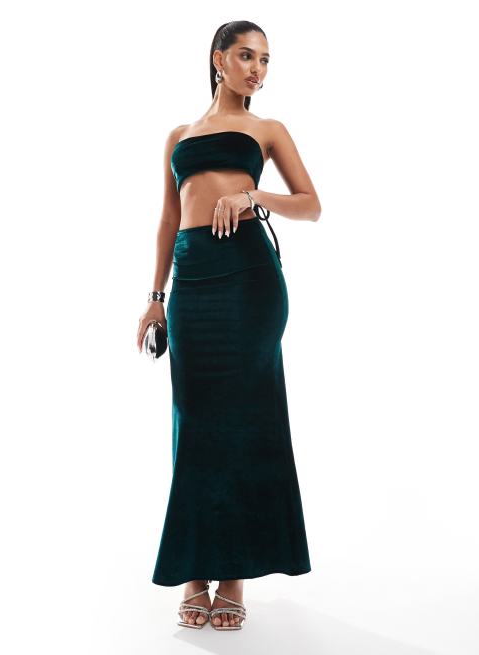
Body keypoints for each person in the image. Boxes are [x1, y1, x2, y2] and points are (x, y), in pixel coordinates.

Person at [137, 20, 321, 631]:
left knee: (246, 420)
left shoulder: (267, 130)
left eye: (265, 60)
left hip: (249, 280)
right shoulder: (179, 136)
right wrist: (155, 296)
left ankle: (235, 576)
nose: (257, 70)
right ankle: (195, 573)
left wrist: (254, 198)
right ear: (219, 59)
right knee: (193, 422)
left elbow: (311, 205)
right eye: (246, 56)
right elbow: (168, 220)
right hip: (191, 284)